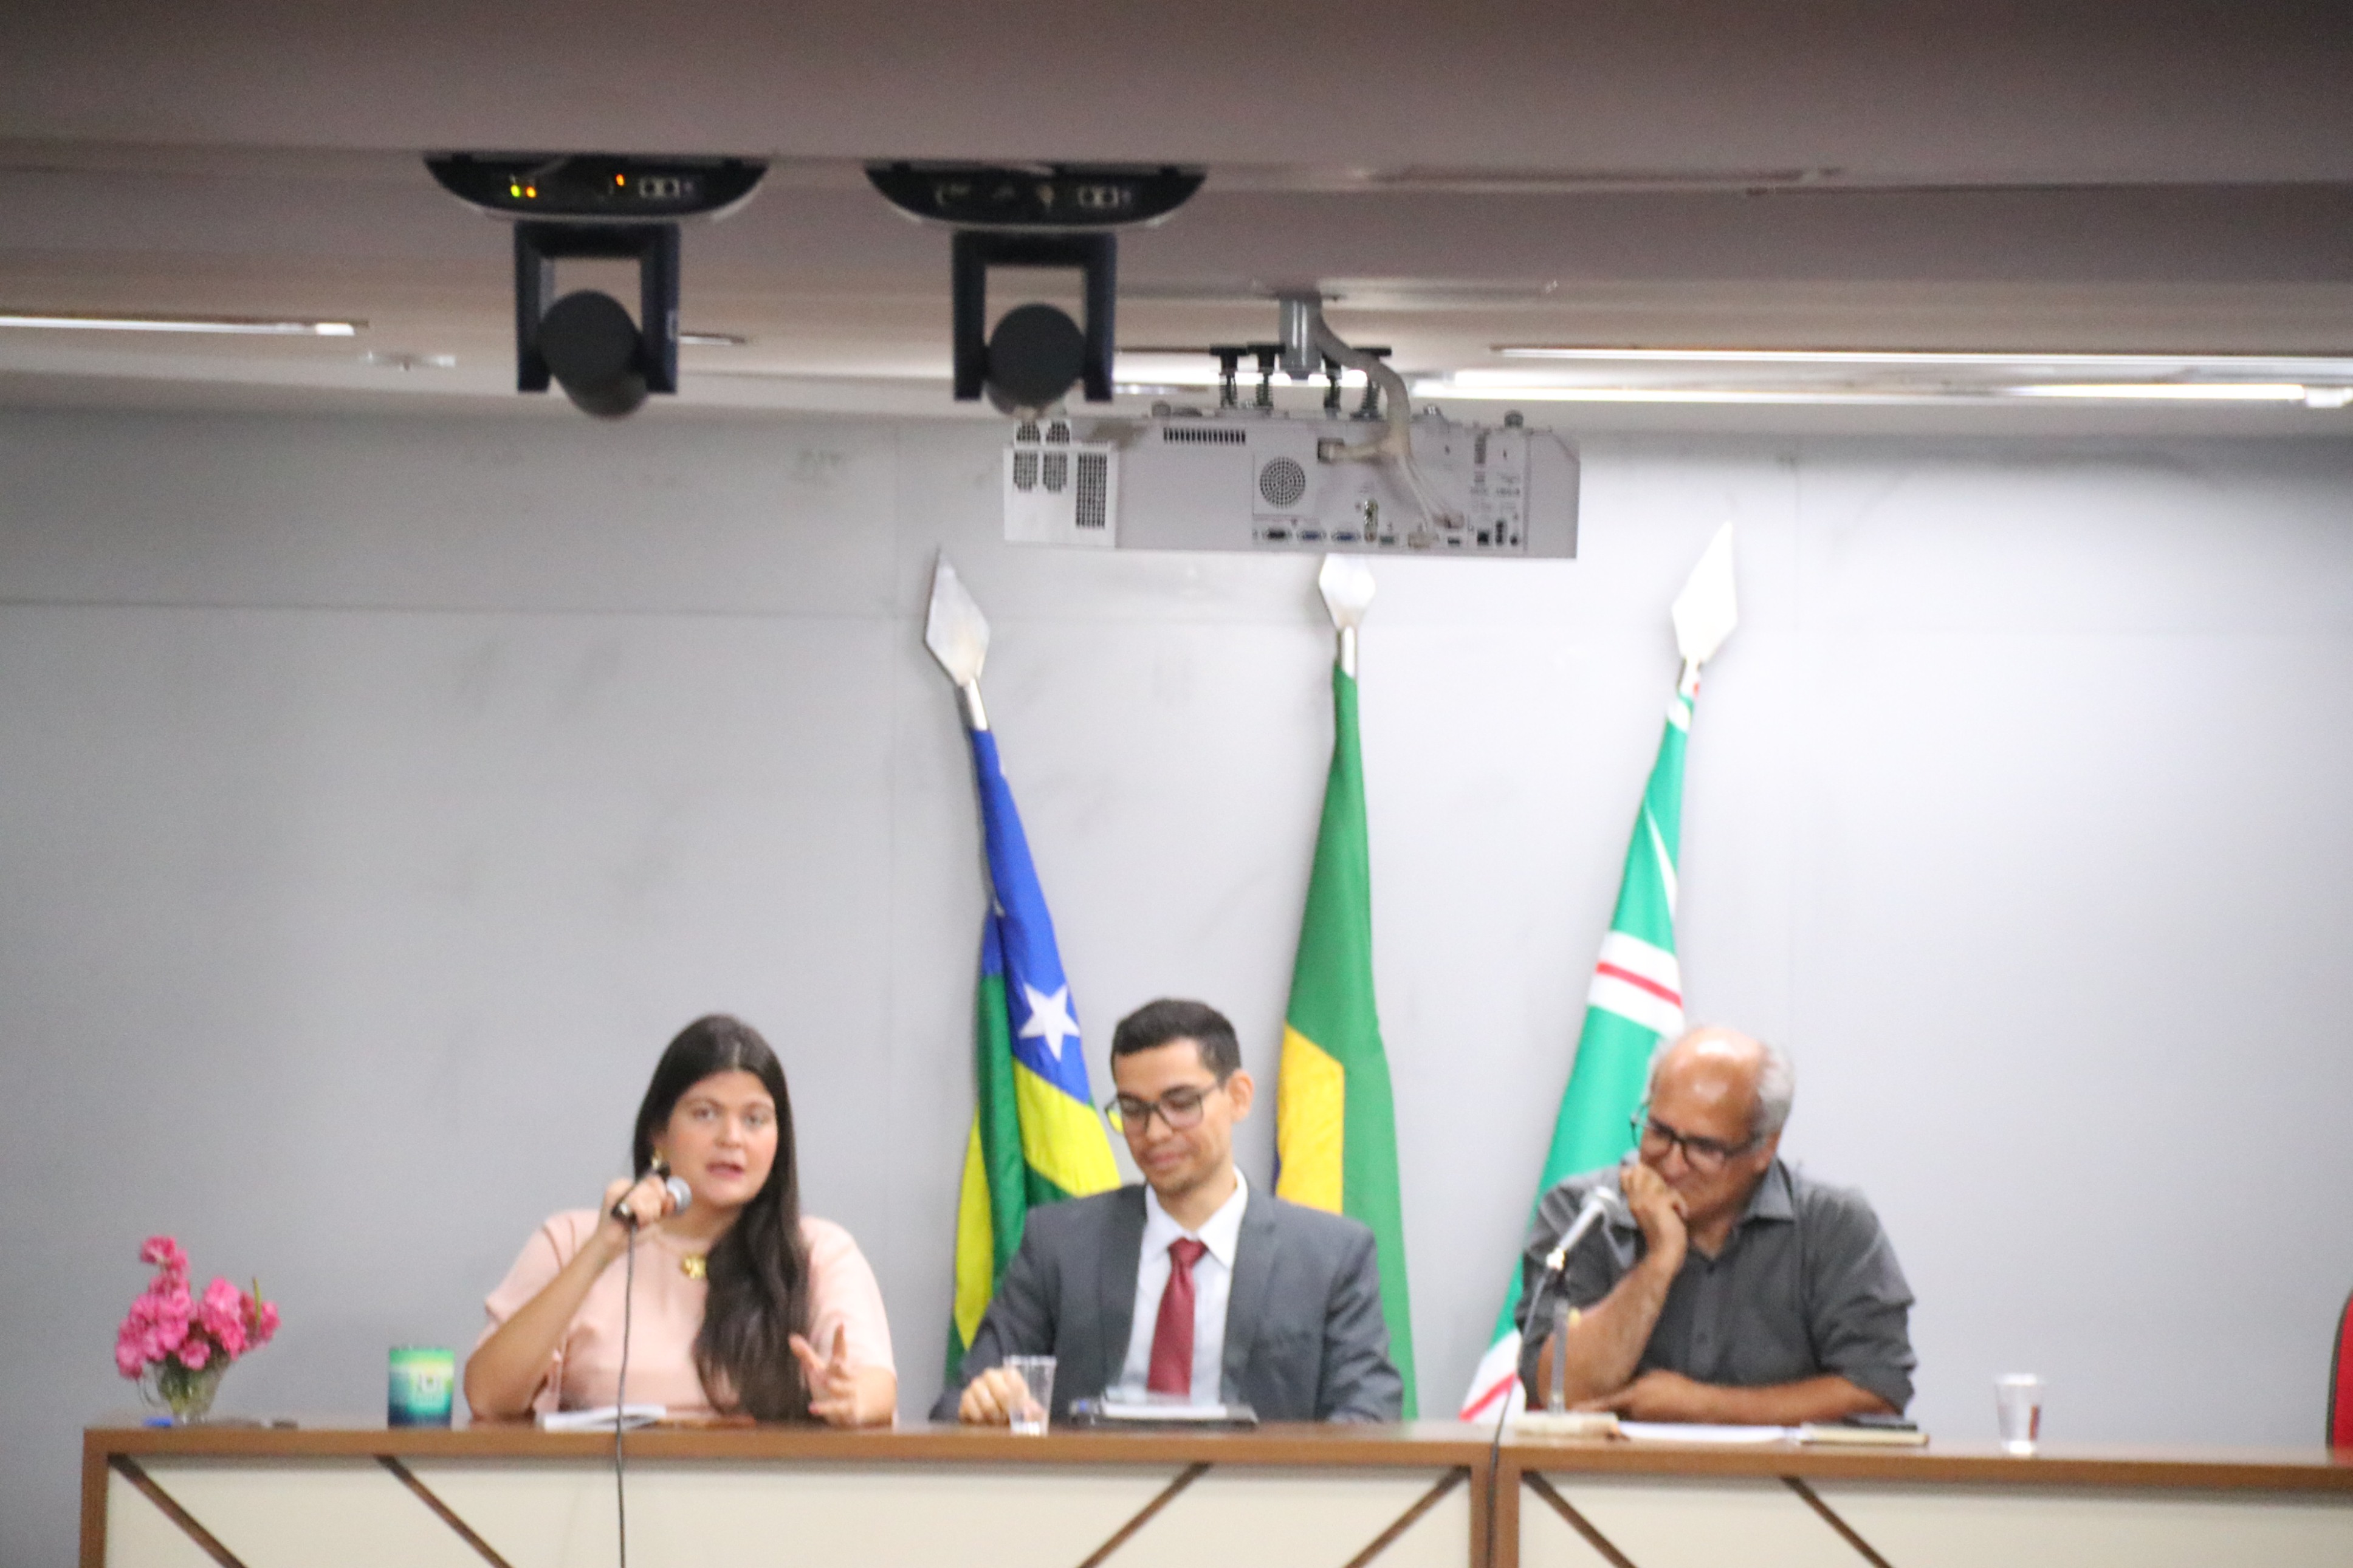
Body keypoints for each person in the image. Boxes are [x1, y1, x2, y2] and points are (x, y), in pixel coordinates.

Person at [937, 998, 1403, 1424]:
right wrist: (988, 1403)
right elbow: (958, 1402)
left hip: (1255, 1487)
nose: (1155, 1132)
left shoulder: (1330, 1256)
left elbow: (1369, 1413)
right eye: (1133, 1109)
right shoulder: (1059, 1243)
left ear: (1239, 1096)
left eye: (1181, 1104)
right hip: (1093, 1485)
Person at [465, 1015, 896, 1425]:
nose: (732, 1138)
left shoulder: (819, 1252)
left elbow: (875, 1384)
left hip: (767, 1479)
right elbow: (488, 1398)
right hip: (605, 1479)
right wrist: (600, 1252)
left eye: (755, 1119)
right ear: (659, 1134)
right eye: (705, 1113)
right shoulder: (571, 1240)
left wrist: (851, 1397)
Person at [1517, 1027, 1914, 1424]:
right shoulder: (1583, 1213)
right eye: (1659, 1132)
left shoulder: (1834, 1226)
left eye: (1704, 1148)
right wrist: (1659, 1262)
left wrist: (1703, 1406)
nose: (1673, 1164)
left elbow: (1878, 1391)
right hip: (1608, 1466)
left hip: (1776, 1467)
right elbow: (1561, 1393)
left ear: (1765, 1148)